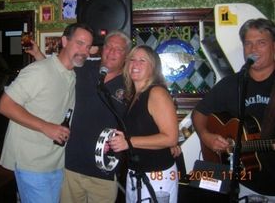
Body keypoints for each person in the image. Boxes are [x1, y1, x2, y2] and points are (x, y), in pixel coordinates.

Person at [28, 30, 131, 203]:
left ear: (126, 54)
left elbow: (138, 120)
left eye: (118, 49)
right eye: (108, 46)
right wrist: (38, 54)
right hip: (71, 166)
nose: (111, 52)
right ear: (101, 48)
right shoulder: (85, 68)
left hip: (103, 170)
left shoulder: (129, 84)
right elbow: (56, 73)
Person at [0, 23, 93, 203]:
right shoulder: (37, 71)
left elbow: (53, 73)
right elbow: (5, 105)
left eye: (88, 46)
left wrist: (39, 55)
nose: (84, 51)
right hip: (32, 163)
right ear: (64, 41)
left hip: (56, 161)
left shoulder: (70, 73)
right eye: (79, 43)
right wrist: (45, 127)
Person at [192, 18, 275, 202]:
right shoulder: (232, 84)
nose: (254, 49)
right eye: (248, 43)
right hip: (241, 185)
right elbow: (198, 113)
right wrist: (206, 136)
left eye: (261, 43)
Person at [109, 45, 179, 203]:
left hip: (157, 176)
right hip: (136, 174)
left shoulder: (157, 93)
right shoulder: (134, 96)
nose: (135, 64)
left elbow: (171, 138)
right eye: (132, 59)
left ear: (153, 68)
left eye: (142, 60)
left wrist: (128, 142)